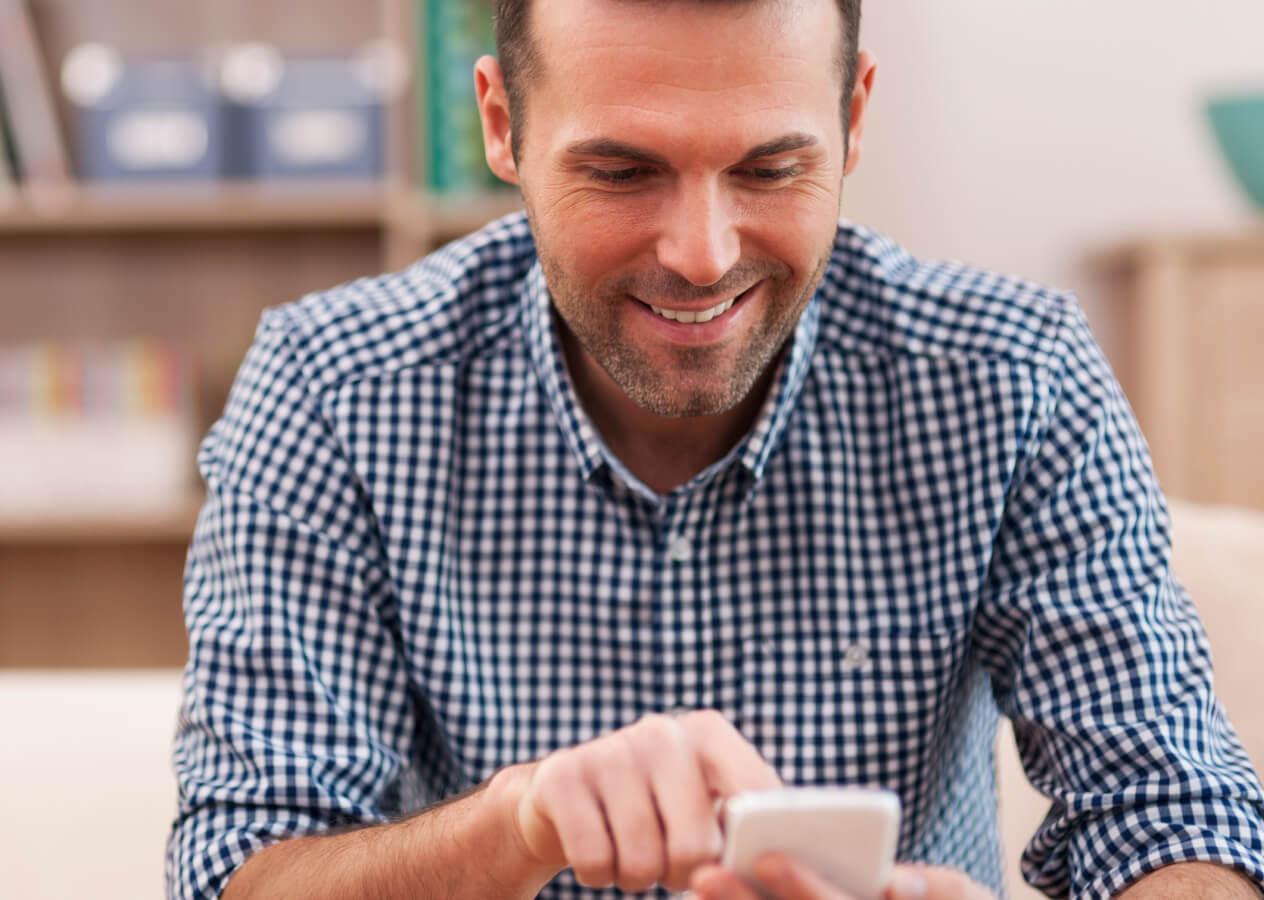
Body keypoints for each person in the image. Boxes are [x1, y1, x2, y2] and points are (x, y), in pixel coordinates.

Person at [165, 0, 1264, 897]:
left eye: (770, 169)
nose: (702, 255)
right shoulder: (331, 391)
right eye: (621, 172)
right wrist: (517, 824)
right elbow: (240, 871)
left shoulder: (1015, 379)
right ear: (501, 125)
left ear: (854, 115)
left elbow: (1172, 815)